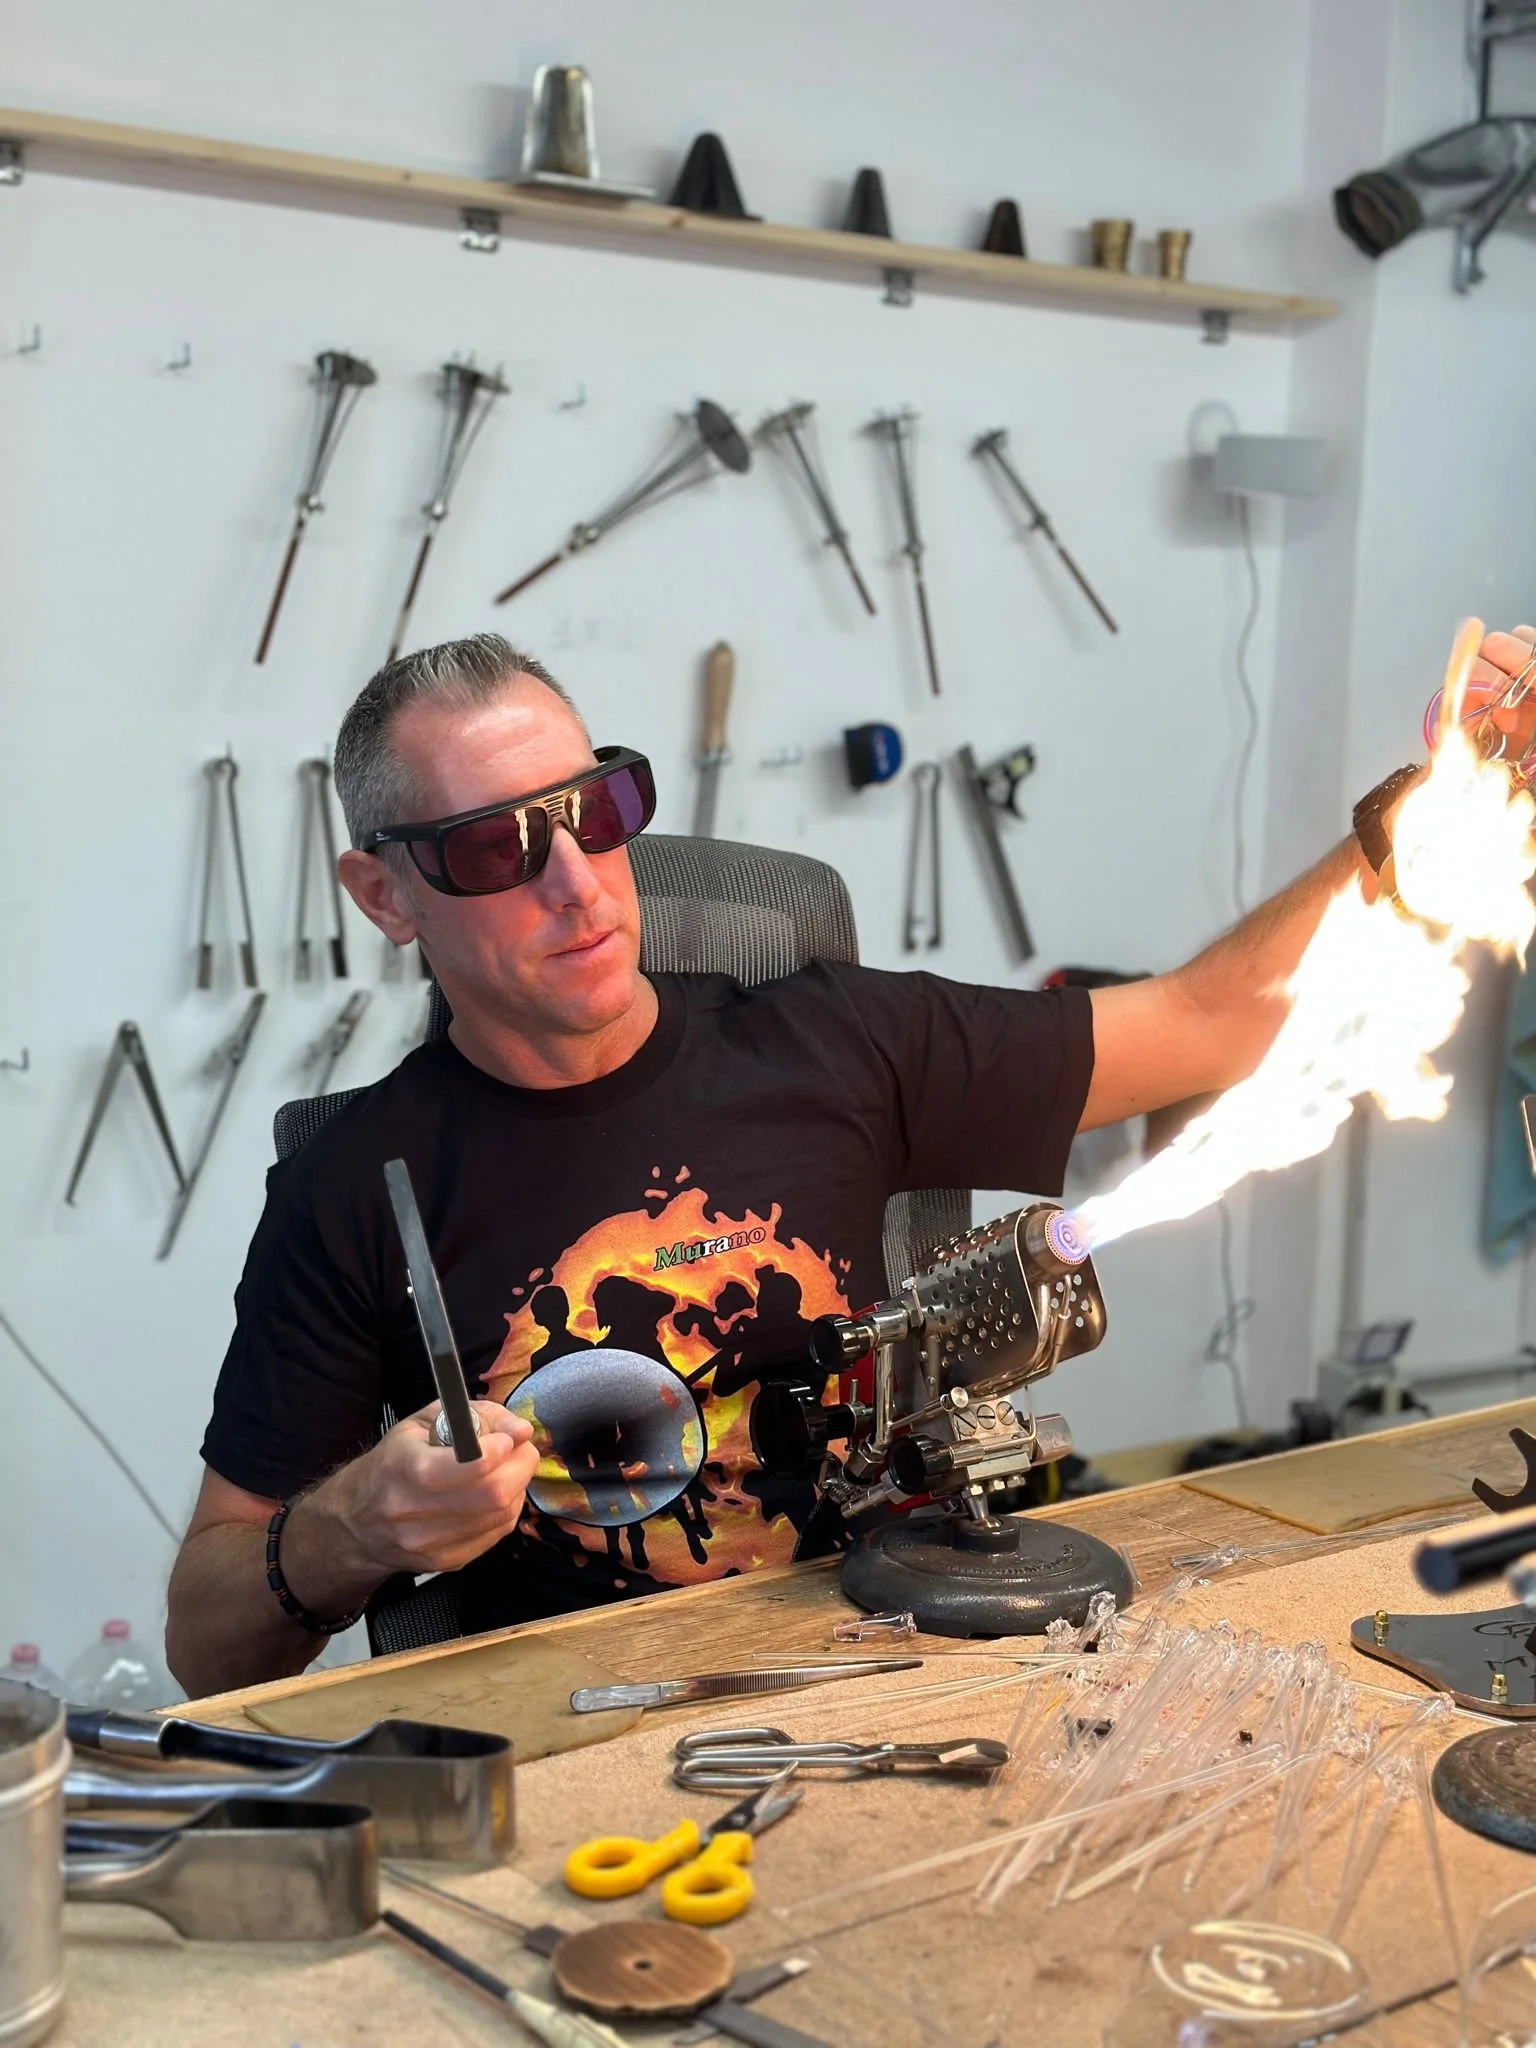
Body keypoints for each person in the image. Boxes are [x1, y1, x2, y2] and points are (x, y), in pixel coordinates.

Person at [164, 627, 1536, 1698]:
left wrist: (1433, 811)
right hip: (582, 1730)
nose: (578, 881)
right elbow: (210, 1649)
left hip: (909, 1668)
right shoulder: (353, 1189)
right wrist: (354, 1526)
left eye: (597, 808)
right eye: (491, 849)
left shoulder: (837, 1040)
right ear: (385, 895)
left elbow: (1202, 1022)